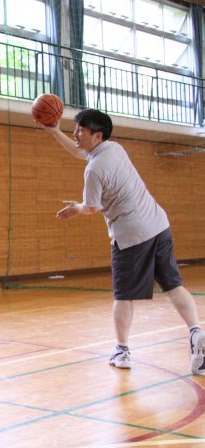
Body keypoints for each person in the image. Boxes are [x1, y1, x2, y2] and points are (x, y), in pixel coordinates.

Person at [38, 109, 205, 373]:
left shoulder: (93, 170)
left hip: (131, 234)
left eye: (80, 129)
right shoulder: (114, 149)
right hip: (158, 224)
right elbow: (81, 152)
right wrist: (54, 131)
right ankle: (196, 332)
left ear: (97, 136)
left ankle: (122, 350)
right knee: (174, 286)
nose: (76, 133)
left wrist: (76, 208)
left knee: (124, 296)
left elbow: (92, 208)